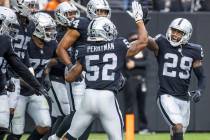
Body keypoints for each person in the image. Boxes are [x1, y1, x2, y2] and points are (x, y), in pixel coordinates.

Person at [64, 1, 148, 139]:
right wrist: (139, 20)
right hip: (106, 97)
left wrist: (82, 68)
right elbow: (143, 41)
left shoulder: (83, 49)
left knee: (70, 137)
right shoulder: (118, 45)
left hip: (88, 97)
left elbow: (69, 77)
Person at [49, 0, 112, 139]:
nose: (102, 14)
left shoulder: (108, 27)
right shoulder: (82, 24)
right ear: (90, 10)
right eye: (99, 11)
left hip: (94, 74)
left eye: (105, 11)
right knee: (77, 112)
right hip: (78, 71)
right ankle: (54, 137)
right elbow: (60, 49)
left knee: (89, 114)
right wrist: (71, 67)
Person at [147, 18, 205, 140]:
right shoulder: (162, 42)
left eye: (179, 32)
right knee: (177, 127)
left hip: (184, 99)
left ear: (187, 34)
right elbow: (146, 40)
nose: (174, 34)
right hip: (166, 95)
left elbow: (201, 76)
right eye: (173, 30)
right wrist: (142, 23)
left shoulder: (195, 50)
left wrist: (200, 90)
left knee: (176, 134)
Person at [0, 6, 49, 140]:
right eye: (8, 24)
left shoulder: (4, 40)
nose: (9, 29)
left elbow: (18, 65)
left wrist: (36, 85)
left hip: (2, 85)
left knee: (3, 124)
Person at [10, 12, 57, 140]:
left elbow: (57, 58)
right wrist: (32, 83)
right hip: (19, 91)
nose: (51, 32)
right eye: (47, 29)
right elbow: (15, 69)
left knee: (45, 125)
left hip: (36, 91)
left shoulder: (52, 44)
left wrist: (47, 69)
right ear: (37, 29)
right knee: (17, 131)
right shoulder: (25, 44)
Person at [46, 1, 79, 137]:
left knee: (61, 114)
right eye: (68, 14)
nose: (71, 17)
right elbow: (46, 60)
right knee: (66, 112)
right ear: (60, 15)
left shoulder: (76, 32)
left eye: (73, 14)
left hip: (69, 80)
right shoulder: (54, 34)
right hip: (56, 77)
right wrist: (62, 59)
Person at [124, 32, 149, 133]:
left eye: (136, 40)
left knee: (142, 105)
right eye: (132, 41)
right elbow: (127, 64)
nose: (134, 43)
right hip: (131, 79)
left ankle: (143, 127)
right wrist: (133, 64)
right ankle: (129, 129)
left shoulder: (143, 50)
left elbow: (146, 62)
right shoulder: (127, 51)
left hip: (141, 80)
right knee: (129, 105)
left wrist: (135, 63)